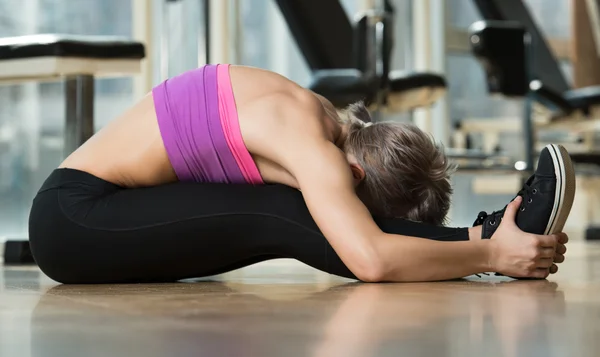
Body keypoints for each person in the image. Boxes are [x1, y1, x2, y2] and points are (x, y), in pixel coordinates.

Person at [28, 64, 574, 284]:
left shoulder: (312, 110)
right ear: (355, 172)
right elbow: (371, 260)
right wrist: (487, 257)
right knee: (284, 213)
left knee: (289, 207)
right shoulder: (311, 147)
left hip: (90, 212)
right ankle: (488, 241)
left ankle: (483, 235)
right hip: (75, 223)